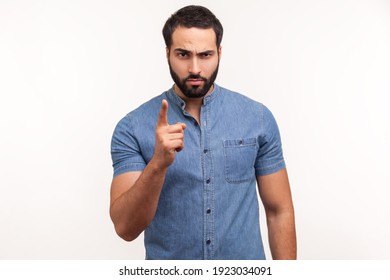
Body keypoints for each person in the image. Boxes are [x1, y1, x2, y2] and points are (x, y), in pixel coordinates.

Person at [109, 5, 296, 260]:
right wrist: (157, 164)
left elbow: (279, 211)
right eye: (183, 54)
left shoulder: (258, 118)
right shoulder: (132, 127)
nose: (195, 68)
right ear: (167, 54)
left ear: (219, 53)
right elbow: (125, 228)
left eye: (205, 55)